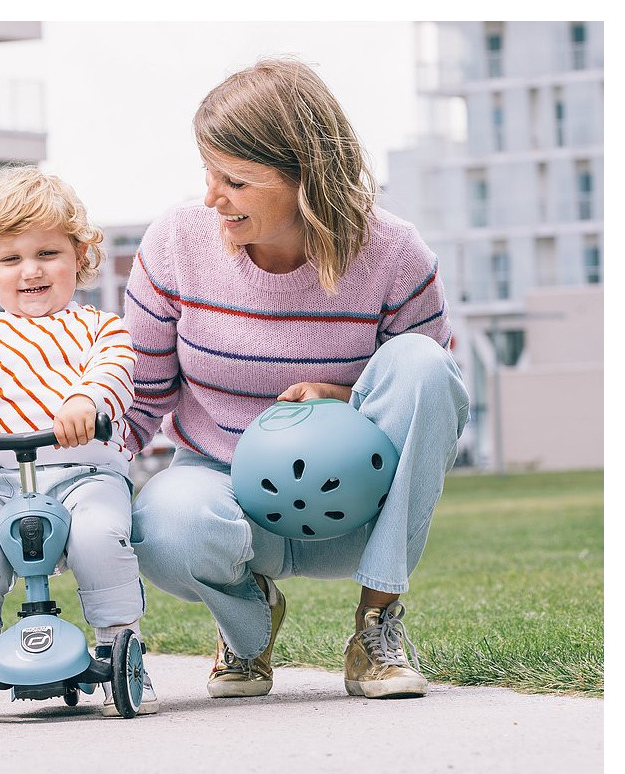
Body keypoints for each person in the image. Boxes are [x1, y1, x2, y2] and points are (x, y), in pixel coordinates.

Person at [122, 57, 470, 700]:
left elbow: (433, 394)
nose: (211, 197)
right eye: (208, 172)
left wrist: (347, 399)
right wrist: (83, 477)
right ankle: (248, 626)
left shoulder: (394, 253)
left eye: (236, 180)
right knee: (162, 525)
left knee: (425, 363)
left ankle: (377, 625)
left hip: (355, 511)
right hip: (227, 503)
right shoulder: (177, 242)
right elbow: (140, 395)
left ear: (305, 178)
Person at [0, 165, 158, 719]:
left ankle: (119, 648)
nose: (30, 270)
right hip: (0, 479)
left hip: (87, 473)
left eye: (47, 253)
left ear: (80, 255)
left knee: (102, 539)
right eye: (10, 258)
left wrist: (87, 403)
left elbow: (114, 372)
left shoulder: (103, 327)